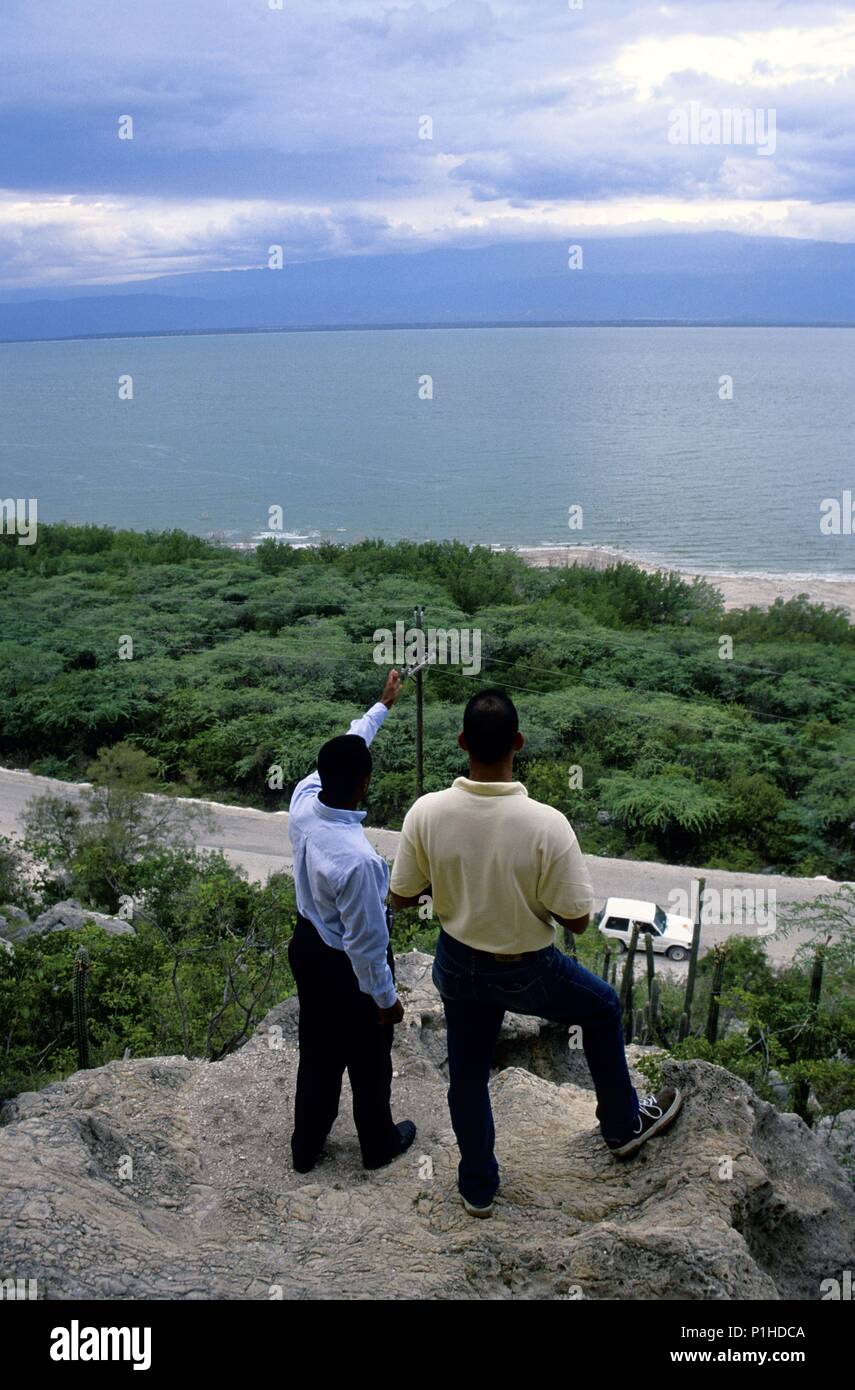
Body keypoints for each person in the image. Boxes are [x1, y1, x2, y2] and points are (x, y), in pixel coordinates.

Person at [390, 688, 682, 1217]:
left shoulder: (427, 812)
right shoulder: (547, 824)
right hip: (526, 970)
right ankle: (622, 1126)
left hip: (457, 963)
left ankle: (477, 1185)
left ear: (462, 743)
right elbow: (576, 918)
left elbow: (402, 896)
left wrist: (457, 889)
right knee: (602, 1008)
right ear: (518, 743)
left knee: (468, 1073)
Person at [287, 669, 416, 1174]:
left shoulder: (302, 804)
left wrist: (381, 707)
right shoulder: (360, 862)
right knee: (368, 1059)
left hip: (306, 946)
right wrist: (385, 1000)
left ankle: (306, 1148)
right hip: (345, 966)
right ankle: (377, 1144)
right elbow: (366, 942)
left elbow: (348, 745)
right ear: (365, 784)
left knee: (317, 1051)